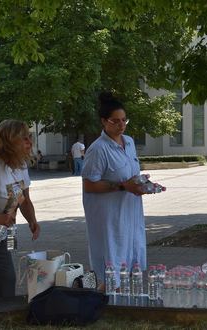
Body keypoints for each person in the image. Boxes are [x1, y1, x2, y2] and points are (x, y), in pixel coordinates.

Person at [81, 92, 146, 289]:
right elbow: (89, 184)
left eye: (124, 120)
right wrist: (122, 186)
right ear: (104, 121)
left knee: (130, 255)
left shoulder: (129, 143)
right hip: (108, 216)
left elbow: (129, 174)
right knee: (111, 258)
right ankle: (104, 296)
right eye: (115, 121)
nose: (121, 125)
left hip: (130, 211)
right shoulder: (98, 149)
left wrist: (142, 183)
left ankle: (123, 296)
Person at [0, 120, 40, 300]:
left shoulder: (21, 166)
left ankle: (4, 320)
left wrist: (32, 221)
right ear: (9, 142)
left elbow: (24, 199)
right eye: (24, 138)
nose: (30, 142)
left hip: (2, 236)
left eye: (30, 137)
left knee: (7, 281)